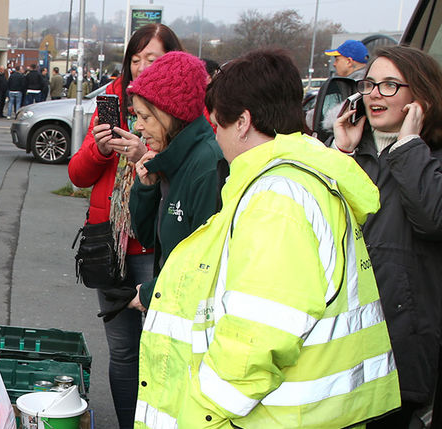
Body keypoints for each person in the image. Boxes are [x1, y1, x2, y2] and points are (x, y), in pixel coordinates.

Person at [133, 48, 401, 428]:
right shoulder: (302, 178)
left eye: (217, 125)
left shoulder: (276, 199)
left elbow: (255, 340)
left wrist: (199, 416)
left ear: (242, 122)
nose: (216, 139)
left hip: (278, 416)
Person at [332, 45, 442, 428]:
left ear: (421, 97)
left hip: (400, 342)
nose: (374, 93)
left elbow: (441, 219)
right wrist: (340, 151)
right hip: (337, 340)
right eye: (370, 84)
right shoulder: (353, 147)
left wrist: (409, 146)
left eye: (390, 85)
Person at [67, 23, 184, 429]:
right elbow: (78, 176)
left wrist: (147, 155)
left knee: (162, 351)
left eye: (151, 59)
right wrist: (100, 149)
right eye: (135, 59)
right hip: (111, 248)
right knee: (122, 353)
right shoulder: (111, 102)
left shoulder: (183, 111)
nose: (140, 67)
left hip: (157, 249)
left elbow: (192, 174)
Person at [125, 51, 226, 325]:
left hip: (191, 318)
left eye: (146, 117)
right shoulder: (171, 159)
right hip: (173, 308)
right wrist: (145, 189)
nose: (138, 127)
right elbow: (149, 239)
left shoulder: (206, 164)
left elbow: (205, 263)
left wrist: (152, 291)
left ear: (172, 114)